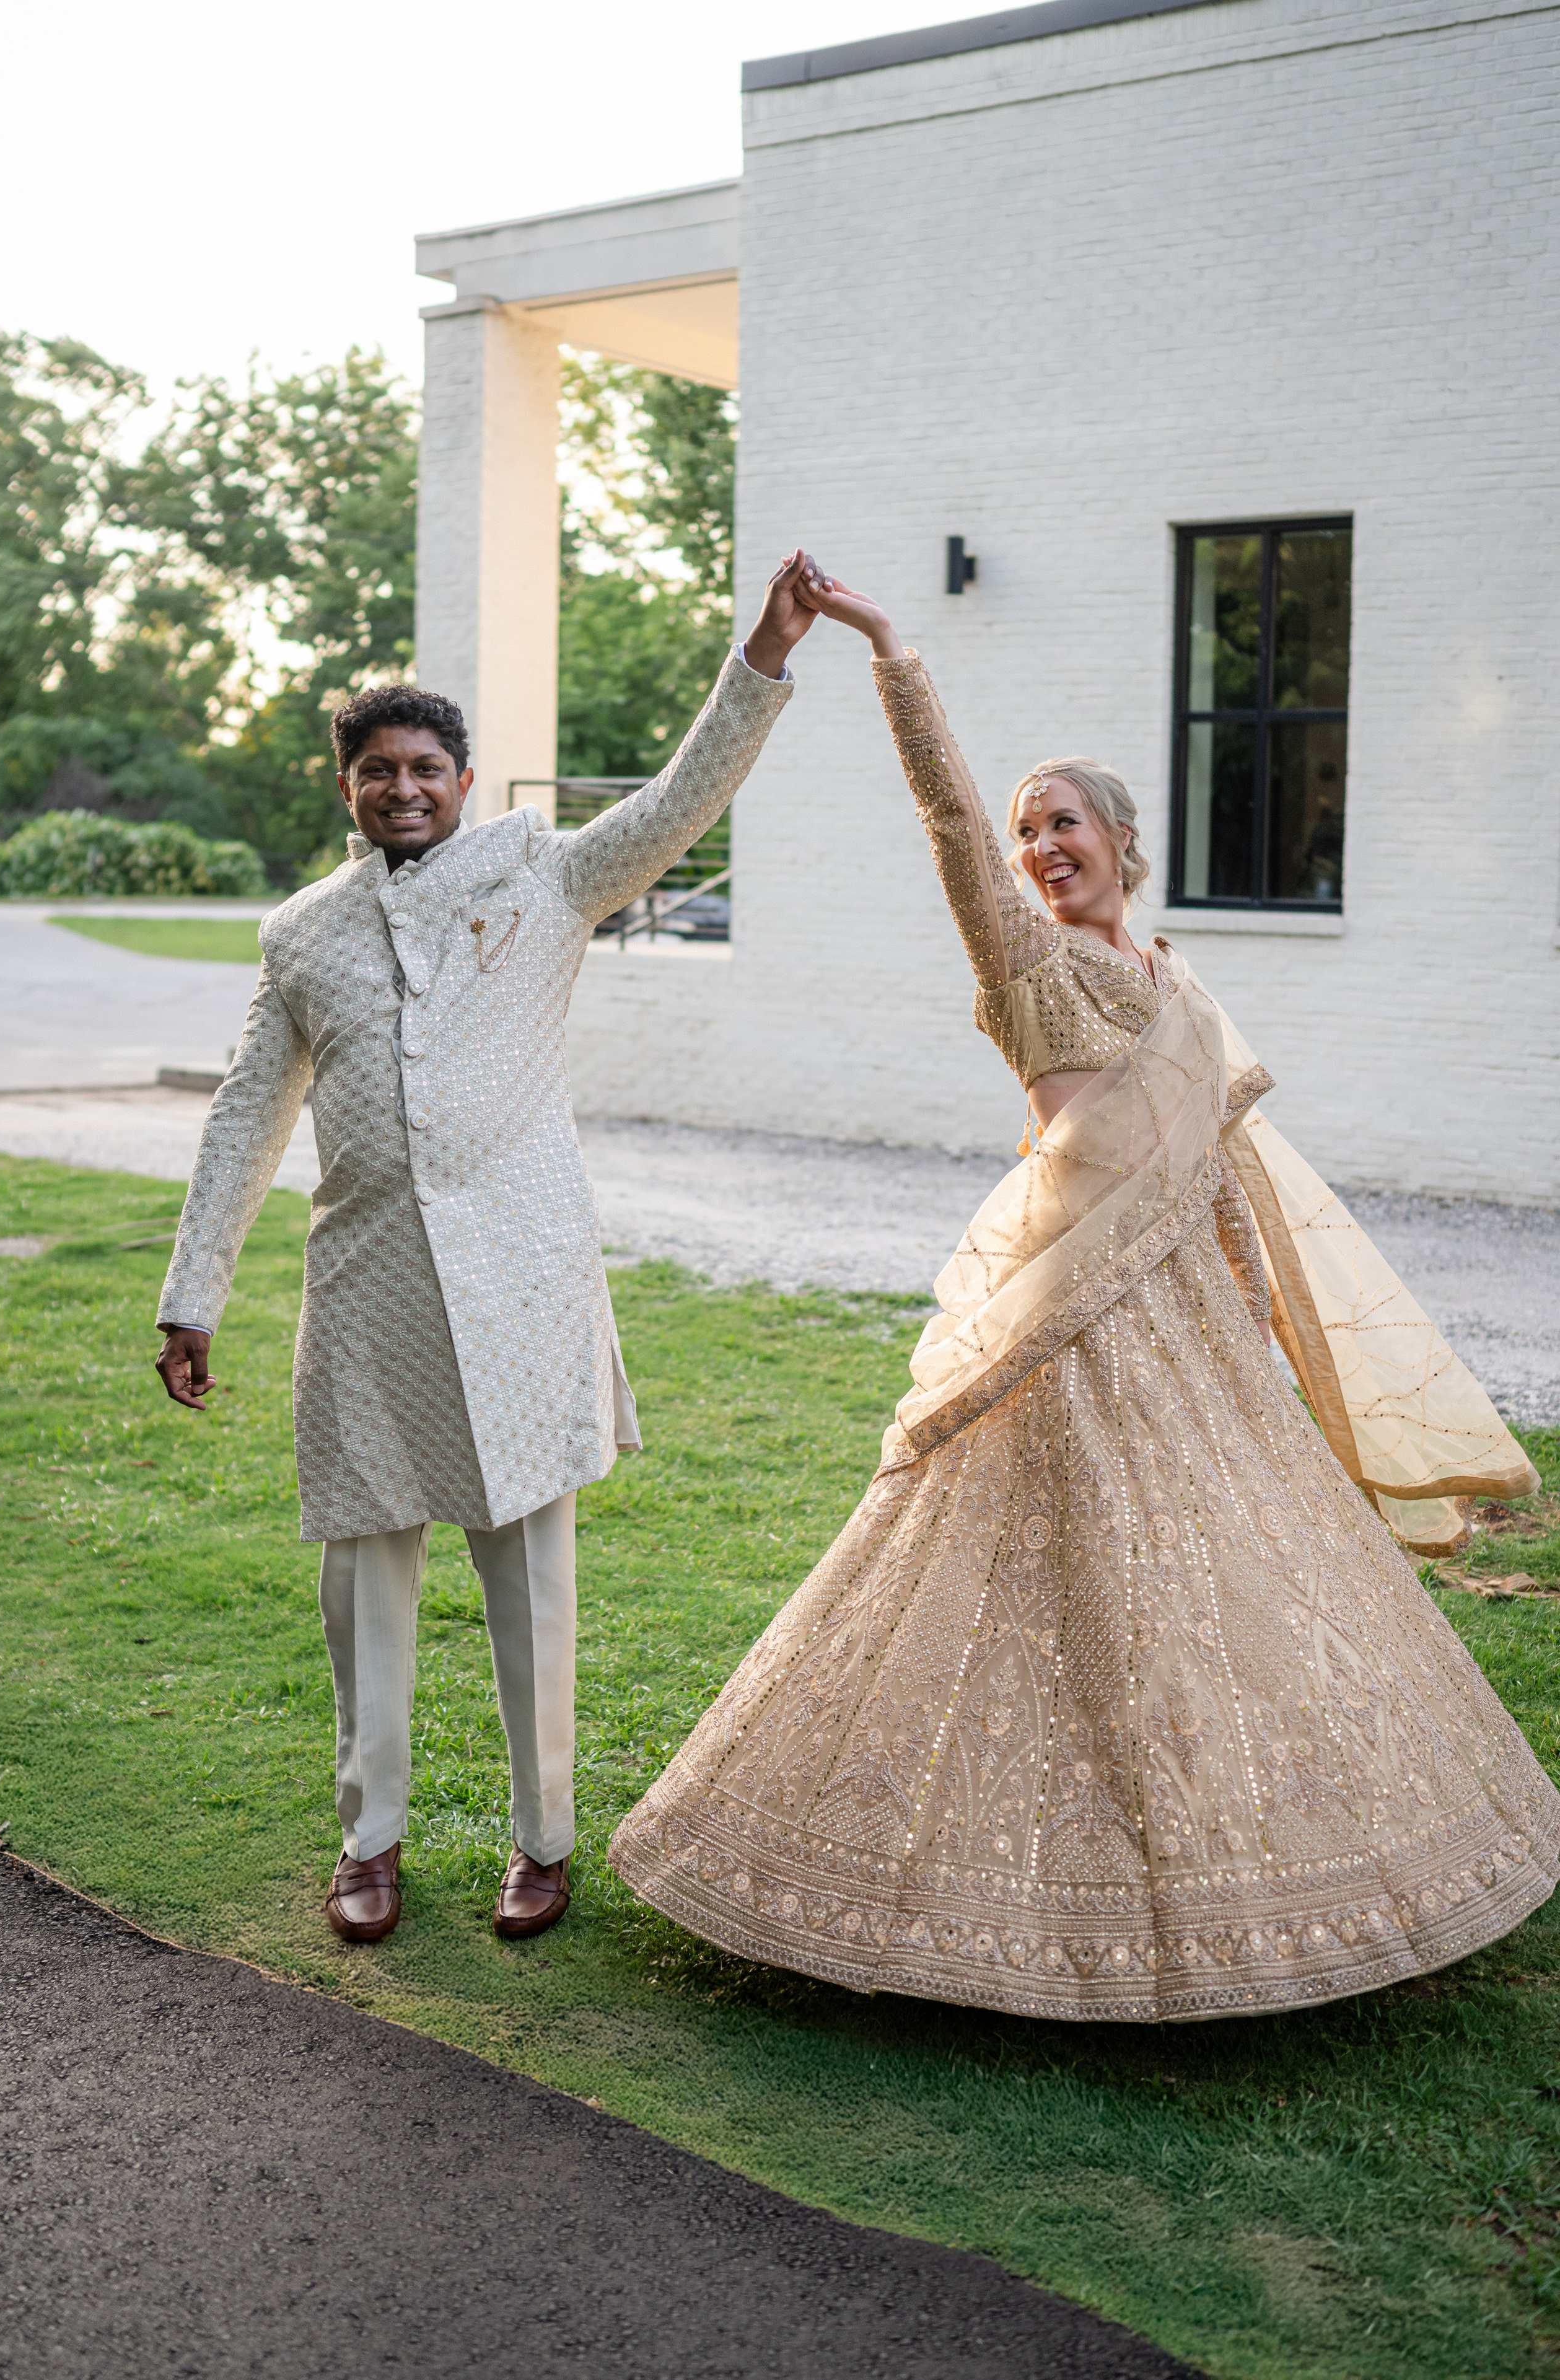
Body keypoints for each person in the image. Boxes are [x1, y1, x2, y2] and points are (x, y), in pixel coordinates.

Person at [609, 571, 1559, 2022]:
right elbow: (944, 820)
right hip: (1068, 1324)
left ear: (1122, 840)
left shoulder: (1172, 977)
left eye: (1063, 823)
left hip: (1188, 1319)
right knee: (1049, 1581)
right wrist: (886, 653)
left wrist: (1248, 1298)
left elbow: (1223, 1164)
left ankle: (1284, 1865)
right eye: (1026, 829)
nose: (1040, 846)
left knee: (1230, 1577)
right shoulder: (1025, 954)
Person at [154, 553, 823, 1947]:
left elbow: (678, 798)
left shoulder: (540, 873)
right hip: (366, 1295)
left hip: (520, 1286)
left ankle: (543, 1840)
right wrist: (191, 1299)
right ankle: (369, 1842)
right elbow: (239, 1122)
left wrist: (757, 656)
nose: (404, 786)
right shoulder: (300, 936)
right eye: (377, 768)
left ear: (465, 779)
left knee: (530, 1579)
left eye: (427, 766)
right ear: (344, 786)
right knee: (366, 1581)